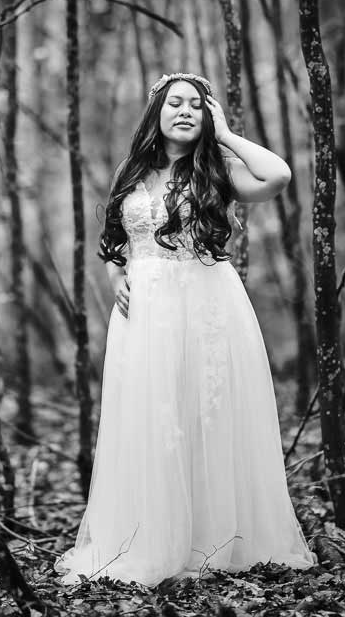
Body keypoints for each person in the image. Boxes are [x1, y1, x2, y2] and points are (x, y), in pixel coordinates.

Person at [56, 73, 317, 586]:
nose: (185, 111)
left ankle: (211, 542)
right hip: (144, 316)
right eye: (174, 103)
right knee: (153, 421)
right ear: (155, 112)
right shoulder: (131, 173)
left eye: (196, 106)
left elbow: (280, 176)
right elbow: (114, 239)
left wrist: (224, 134)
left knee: (205, 416)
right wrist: (116, 279)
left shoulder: (218, 172)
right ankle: (152, 538)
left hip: (207, 307)